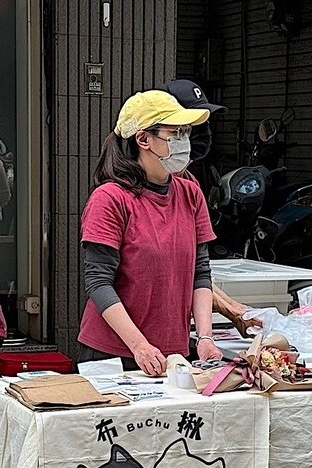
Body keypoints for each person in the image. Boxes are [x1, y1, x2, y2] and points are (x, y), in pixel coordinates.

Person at [78, 90, 222, 376]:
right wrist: (139, 346)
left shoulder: (190, 194)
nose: (184, 142)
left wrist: (205, 337)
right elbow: (98, 282)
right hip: (113, 353)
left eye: (186, 133)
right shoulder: (110, 198)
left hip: (174, 351)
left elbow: (201, 272)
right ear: (143, 139)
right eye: (175, 133)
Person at [160, 78, 263, 339]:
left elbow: (197, 268)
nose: (200, 132)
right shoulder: (127, 191)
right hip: (133, 340)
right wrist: (232, 310)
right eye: (188, 126)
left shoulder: (189, 184)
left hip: (175, 335)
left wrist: (236, 311)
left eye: (202, 123)